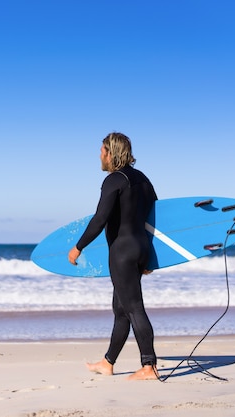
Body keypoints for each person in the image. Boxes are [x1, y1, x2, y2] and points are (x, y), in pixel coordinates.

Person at [68, 132, 159, 381]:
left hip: (122, 252)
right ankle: (107, 362)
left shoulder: (114, 180)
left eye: (102, 151)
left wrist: (79, 246)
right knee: (121, 309)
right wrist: (149, 255)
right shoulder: (143, 180)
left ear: (111, 152)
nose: (99, 155)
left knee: (134, 309)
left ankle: (149, 366)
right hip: (140, 248)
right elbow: (153, 219)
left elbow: (100, 218)